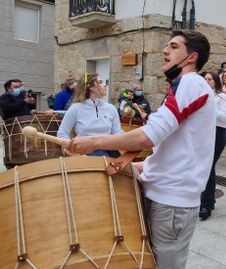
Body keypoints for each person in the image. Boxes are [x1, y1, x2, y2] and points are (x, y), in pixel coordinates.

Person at [66, 30, 214, 269]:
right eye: (167, 45)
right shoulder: (183, 86)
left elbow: (147, 137)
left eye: (174, 46)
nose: (165, 50)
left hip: (172, 204)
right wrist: (141, 166)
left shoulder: (191, 83)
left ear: (191, 57)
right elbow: (177, 149)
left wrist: (93, 142)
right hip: (166, 200)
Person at [57, 73, 123, 157]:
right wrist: (74, 152)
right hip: (85, 154)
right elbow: (62, 133)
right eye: (100, 82)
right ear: (91, 87)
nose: (105, 85)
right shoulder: (76, 108)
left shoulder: (111, 108)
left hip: (110, 152)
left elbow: (117, 133)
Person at [199, 71, 226, 221]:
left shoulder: (221, 96)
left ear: (215, 82)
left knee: (208, 167)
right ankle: (209, 201)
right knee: (208, 168)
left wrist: (211, 109)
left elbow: (225, 117)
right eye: (205, 79)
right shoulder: (201, 96)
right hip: (204, 133)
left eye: (210, 79)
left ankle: (205, 204)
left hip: (217, 132)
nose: (207, 81)